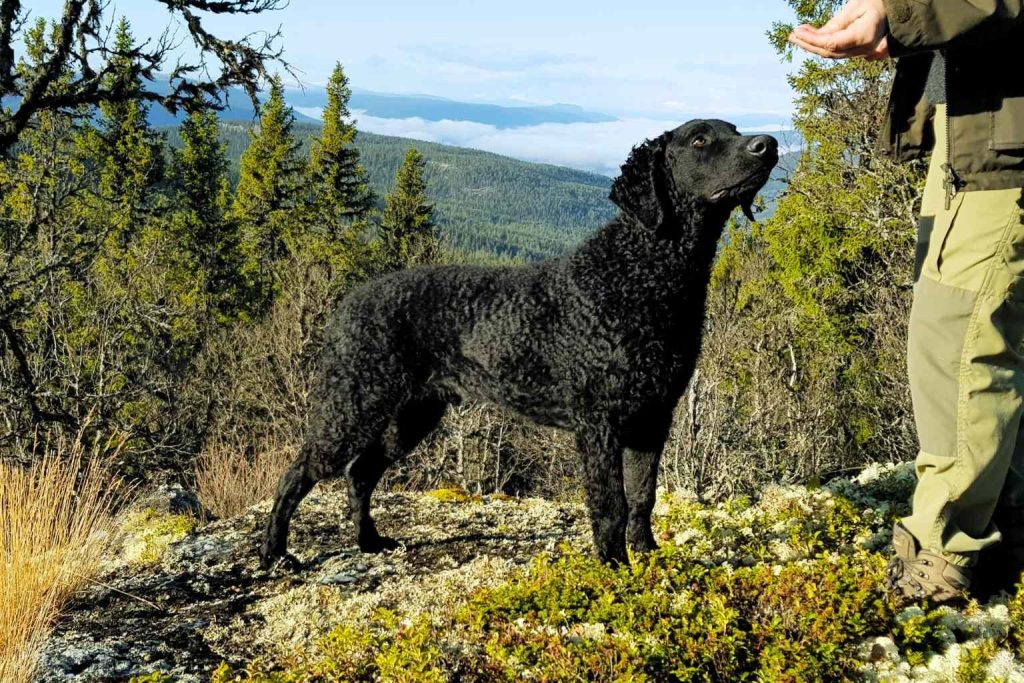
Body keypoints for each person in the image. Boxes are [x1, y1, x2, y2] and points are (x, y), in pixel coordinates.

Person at [788, 0, 1024, 603]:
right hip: (977, 123)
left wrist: (899, 14)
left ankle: (946, 556)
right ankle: (1005, 526)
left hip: (1003, 131)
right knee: (979, 335)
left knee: (960, 343)